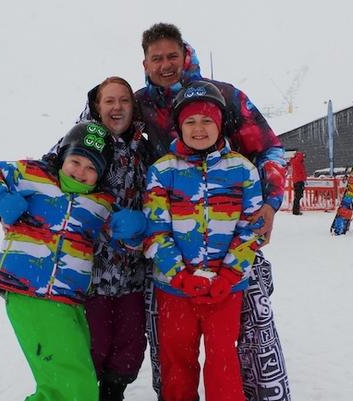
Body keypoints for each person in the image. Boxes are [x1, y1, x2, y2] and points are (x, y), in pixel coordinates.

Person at [136, 23, 291, 400]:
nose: (166, 64)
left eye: (172, 55)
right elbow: (84, 148)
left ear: (185, 54)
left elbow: (270, 149)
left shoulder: (226, 96)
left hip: (230, 242)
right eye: (157, 58)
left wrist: (270, 203)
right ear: (145, 62)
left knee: (242, 344)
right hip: (170, 253)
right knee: (175, 354)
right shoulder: (136, 104)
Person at [0, 122, 133, 401]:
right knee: (73, 386)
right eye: (75, 161)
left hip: (70, 301)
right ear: (63, 156)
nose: (80, 171)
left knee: (69, 383)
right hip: (31, 293)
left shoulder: (101, 203)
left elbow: (116, 242)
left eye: (91, 168)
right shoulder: (32, 174)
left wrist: (131, 230)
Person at [143, 81, 265, 401]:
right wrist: (180, 276)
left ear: (221, 123)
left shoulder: (242, 170)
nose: (199, 129)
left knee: (222, 359)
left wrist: (229, 275)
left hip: (226, 289)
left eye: (207, 120)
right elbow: (156, 230)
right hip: (175, 290)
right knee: (177, 361)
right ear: (179, 127)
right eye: (190, 121)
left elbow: (250, 229)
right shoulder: (162, 171)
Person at [47, 76, 154, 401]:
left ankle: (114, 393)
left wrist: (146, 223)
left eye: (124, 100)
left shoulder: (145, 147)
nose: (117, 107)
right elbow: (41, 178)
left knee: (129, 347)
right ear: (97, 105)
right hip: (86, 273)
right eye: (109, 100)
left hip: (133, 272)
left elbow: (163, 195)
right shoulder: (78, 139)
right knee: (89, 349)